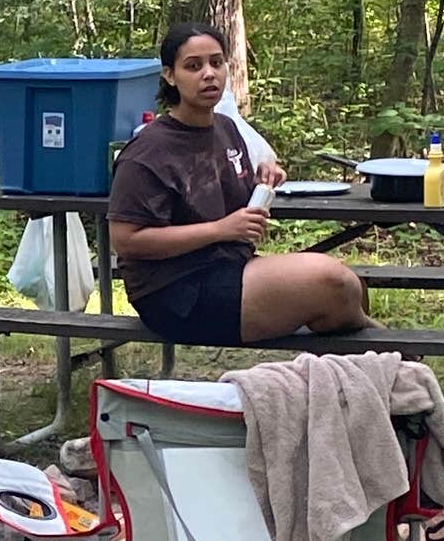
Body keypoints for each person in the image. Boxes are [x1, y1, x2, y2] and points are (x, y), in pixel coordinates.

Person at [104, 25, 371, 349]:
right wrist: (219, 230)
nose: (208, 74)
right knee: (334, 283)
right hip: (177, 293)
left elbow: (230, 203)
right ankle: (392, 352)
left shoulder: (226, 128)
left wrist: (263, 181)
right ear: (170, 76)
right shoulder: (148, 152)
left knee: (351, 287)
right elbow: (126, 241)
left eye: (216, 63)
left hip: (231, 267)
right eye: (193, 66)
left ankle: (374, 366)